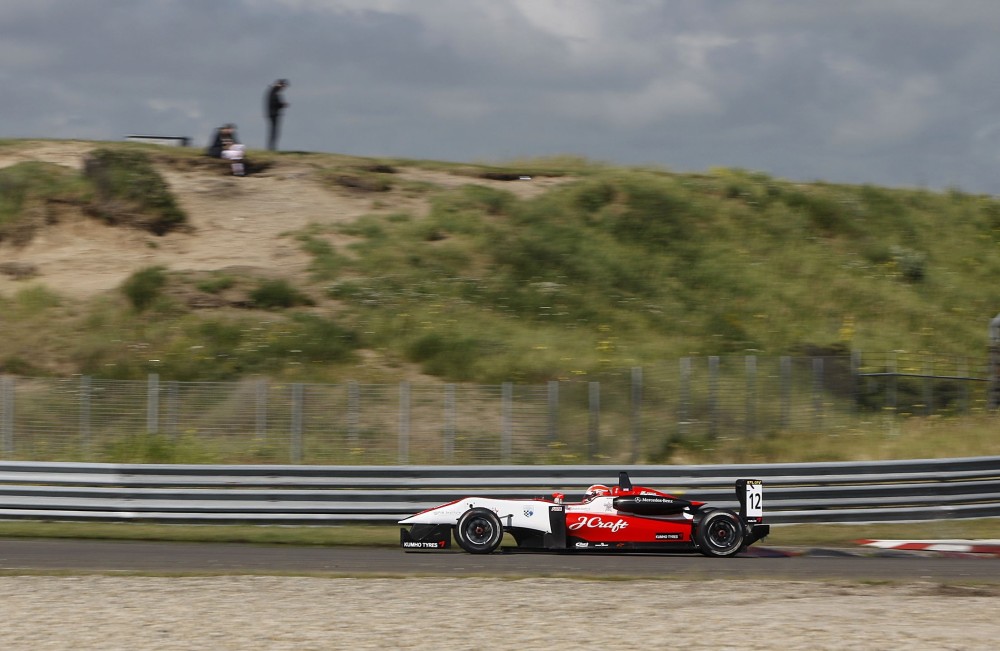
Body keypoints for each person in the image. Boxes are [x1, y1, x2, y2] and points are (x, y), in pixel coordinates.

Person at [265, 79, 289, 151]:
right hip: (273, 114)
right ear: (280, 84)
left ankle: (271, 147)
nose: (284, 88)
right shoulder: (274, 91)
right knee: (274, 132)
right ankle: (271, 148)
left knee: (274, 131)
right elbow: (274, 103)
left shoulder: (273, 91)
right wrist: (282, 104)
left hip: (272, 114)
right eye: (284, 86)